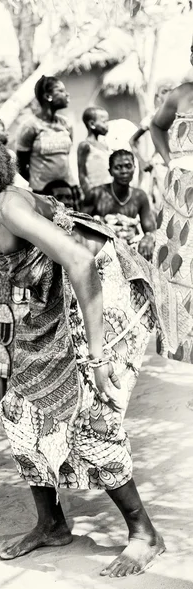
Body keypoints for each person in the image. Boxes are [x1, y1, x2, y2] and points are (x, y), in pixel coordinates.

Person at [0, 112, 193, 577]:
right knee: (19, 412)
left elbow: (81, 263)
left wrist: (97, 357)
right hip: (46, 306)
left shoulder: (10, 208)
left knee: (93, 418)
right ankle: (52, 524)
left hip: (100, 296)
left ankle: (145, 533)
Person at [150, 45, 193, 362]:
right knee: (179, 272)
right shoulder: (180, 94)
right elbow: (156, 125)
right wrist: (169, 160)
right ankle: (182, 348)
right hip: (180, 192)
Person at [83, 150, 156, 260]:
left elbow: (150, 229)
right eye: (118, 167)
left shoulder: (139, 196)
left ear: (134, 168)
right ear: (110, 171)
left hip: (130, 249)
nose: (124, 171)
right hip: (102, 251)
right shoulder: (96, 194)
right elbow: (81, 226)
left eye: (128, 166)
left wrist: (148, 239)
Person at [16, 75, 74, 193]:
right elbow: (21, 164)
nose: (66, 94)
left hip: (67, 189)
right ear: (48, 96)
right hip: (42, 191)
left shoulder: (66, 124)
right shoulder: (30, 126)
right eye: (61, 91)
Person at [130, 81, 175, 209]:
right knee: (165, 206)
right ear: (157, 97)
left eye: (173, 91)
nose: (169, 95)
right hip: (162, 167)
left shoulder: (184, 117)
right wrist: (142, 161)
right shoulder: (153, 118)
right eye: (165, 91)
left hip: (182, 166)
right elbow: (132, 140)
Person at [77, 106, 112, 196]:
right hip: (95, 193)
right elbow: (82, 174)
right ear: (92, 124)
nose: (107, 125)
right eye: (104, 122)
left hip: (108, 193)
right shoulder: (85, 146)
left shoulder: (105, 145)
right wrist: (89, 194)